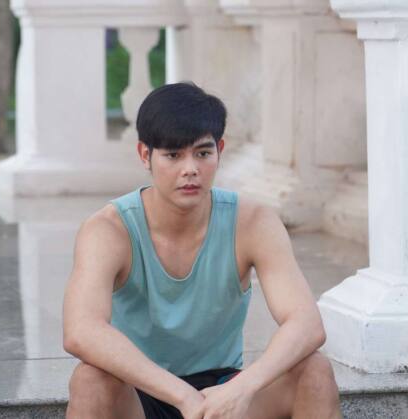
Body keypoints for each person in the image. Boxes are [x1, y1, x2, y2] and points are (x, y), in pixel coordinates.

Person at [63, 82, 341, 419]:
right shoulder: (109, 229)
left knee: (314, 371)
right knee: (90, 380)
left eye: (203, 153)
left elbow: (307, 324)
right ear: (145, 155)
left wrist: (241, 389)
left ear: (219, 151)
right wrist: (182, 396)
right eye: (173, 155)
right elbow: (81, 330)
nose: (190, 169)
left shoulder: (252, 222)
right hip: (139, 390)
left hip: (223, 390)